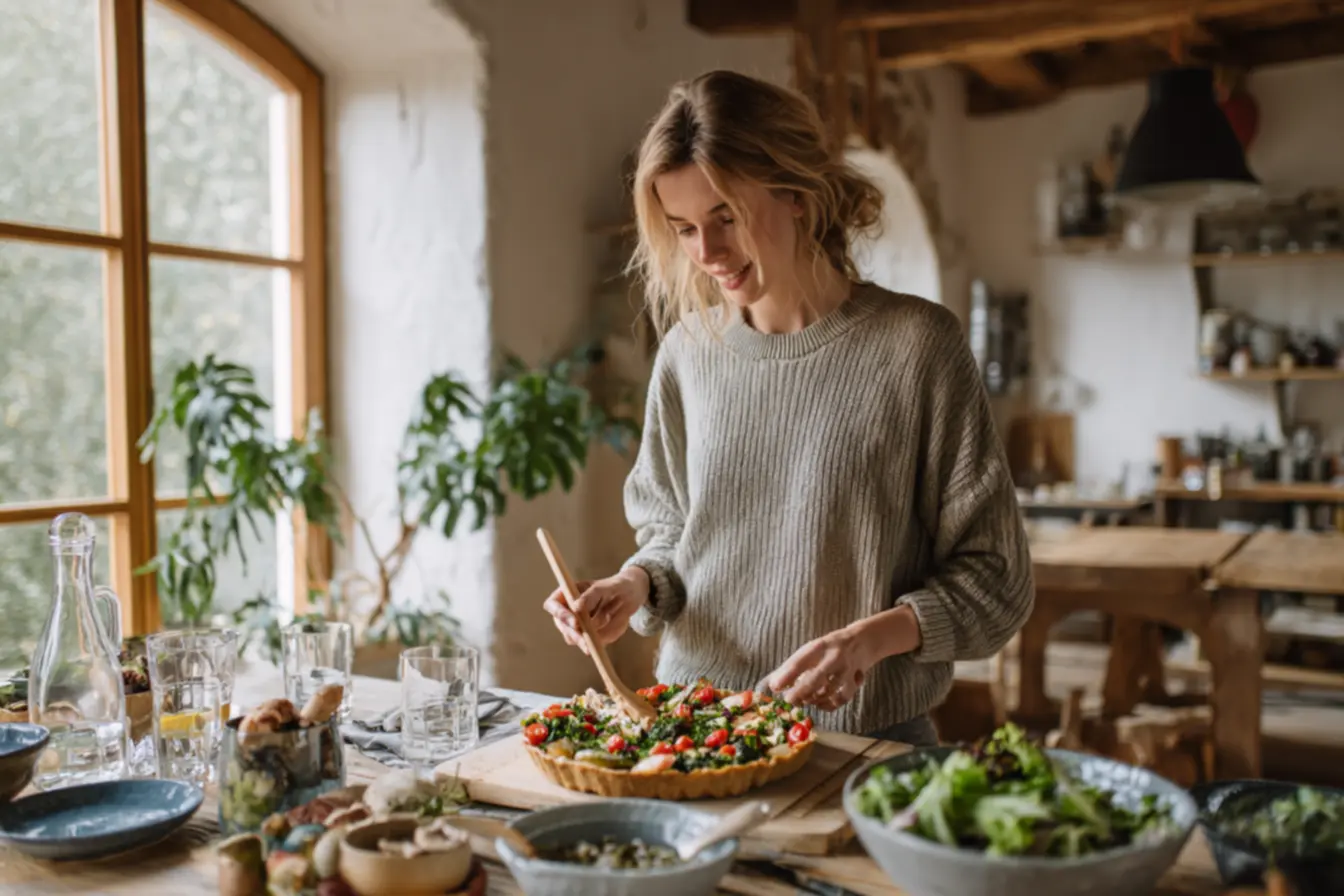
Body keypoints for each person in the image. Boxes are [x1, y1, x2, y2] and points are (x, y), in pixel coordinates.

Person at [543, 69, 1033, 747]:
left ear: (797, 194)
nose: (708, 253)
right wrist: (632, 588)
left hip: (864, 748)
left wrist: (873, 641)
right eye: (684, 228)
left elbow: (998, 580)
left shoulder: (918, 348)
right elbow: (674, 535)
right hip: (697, 735)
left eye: (728, 218)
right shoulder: (688, 352)